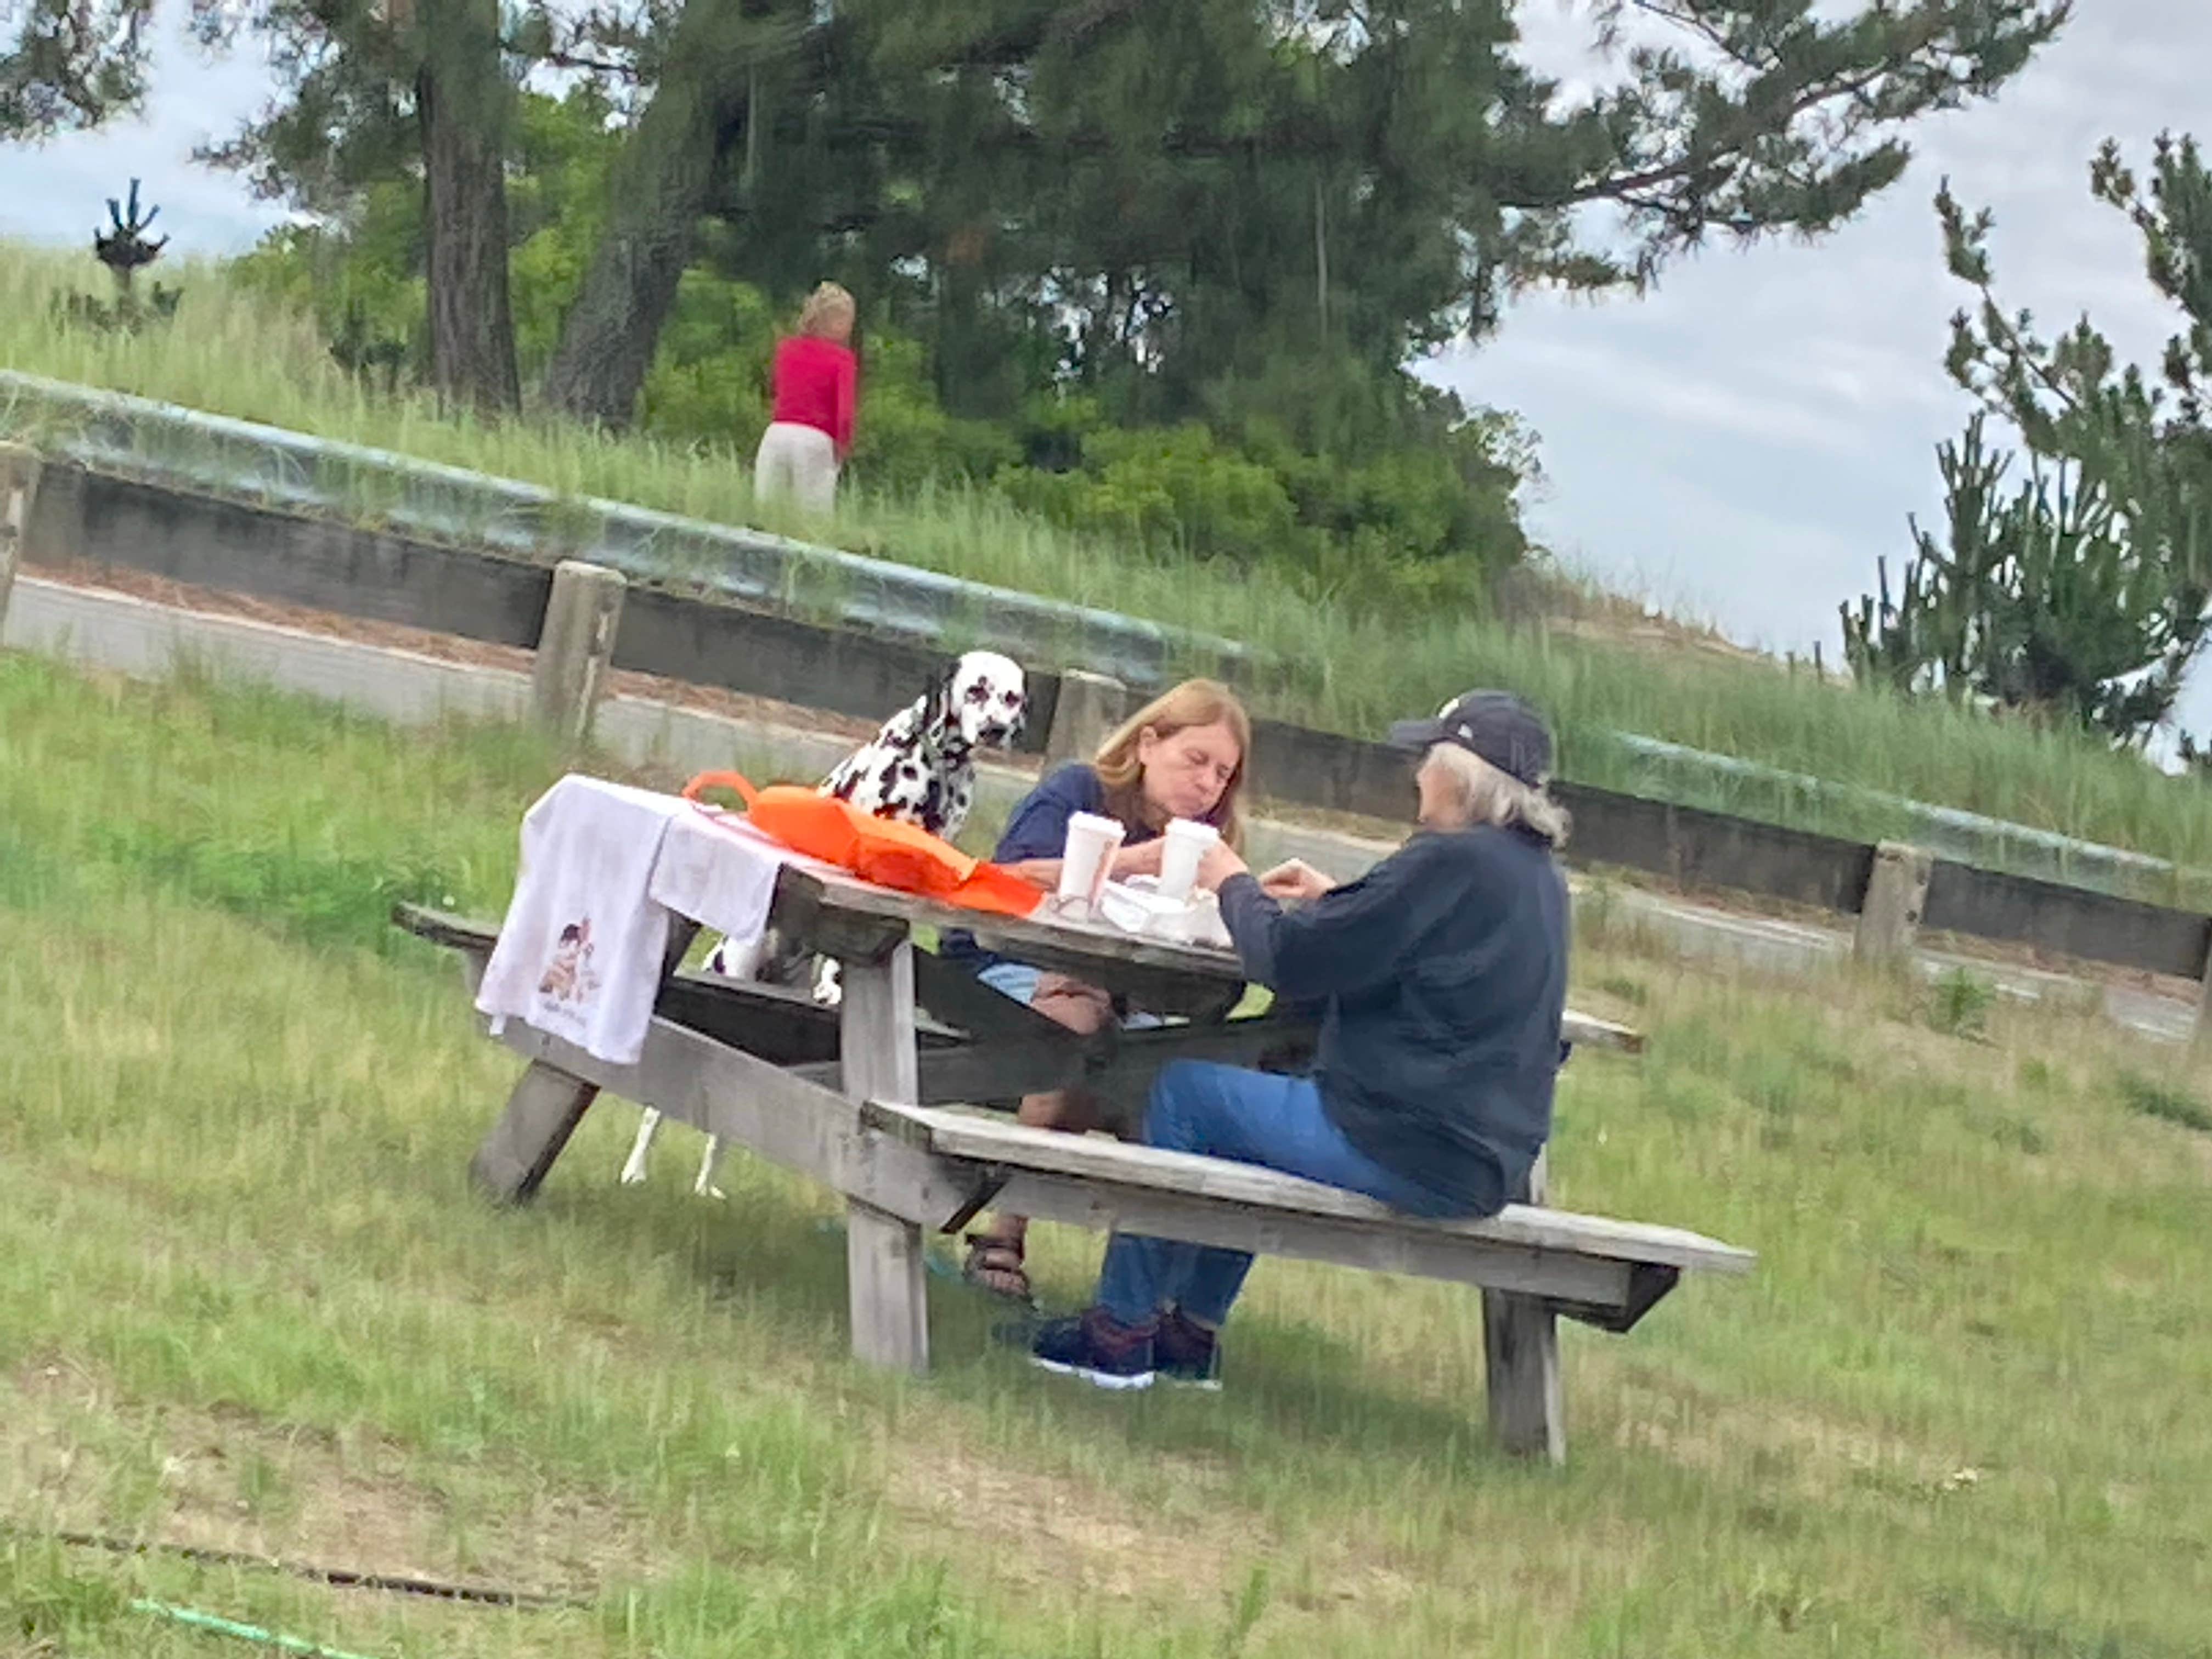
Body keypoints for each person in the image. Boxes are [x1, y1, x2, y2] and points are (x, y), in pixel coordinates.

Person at [1025, 689, 1572, 1390]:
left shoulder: (1450, 859)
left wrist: (1230, 880)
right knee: (1261, 1099)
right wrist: (1343, 903)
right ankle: (1188, 1336)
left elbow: (1286, 959)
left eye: (1425, 762)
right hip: (1483, 1162)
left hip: (1407, 1146)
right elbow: (1400, 940)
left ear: (1459, 777)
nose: (1415, 778)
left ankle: (1118, 1337)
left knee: (1186, 1094)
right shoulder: (1537, 880)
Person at [957, 678, 1253, 1304]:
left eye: (1223, 773)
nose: (1206, 784)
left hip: (1129, 999)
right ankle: (1003, 1232)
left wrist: (1242, 908)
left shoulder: (1213, 850)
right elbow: (1000, 881)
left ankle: (1146, 1299)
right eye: (1195, 760)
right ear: (1149, 743)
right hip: (1001, 963)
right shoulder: (1079, 790)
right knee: (1078, 1019)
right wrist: (1131, 862)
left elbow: (1216, 994)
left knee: (1180, 1080)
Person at [754, 282, 858, 516]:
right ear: (837, 322)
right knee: (814, 520)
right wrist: (843, 446)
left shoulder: (786, 349)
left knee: (767, 513)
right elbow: (845, 412)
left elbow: (776, 389)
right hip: (815, 438)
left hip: (777, 434)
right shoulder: (843, 359)